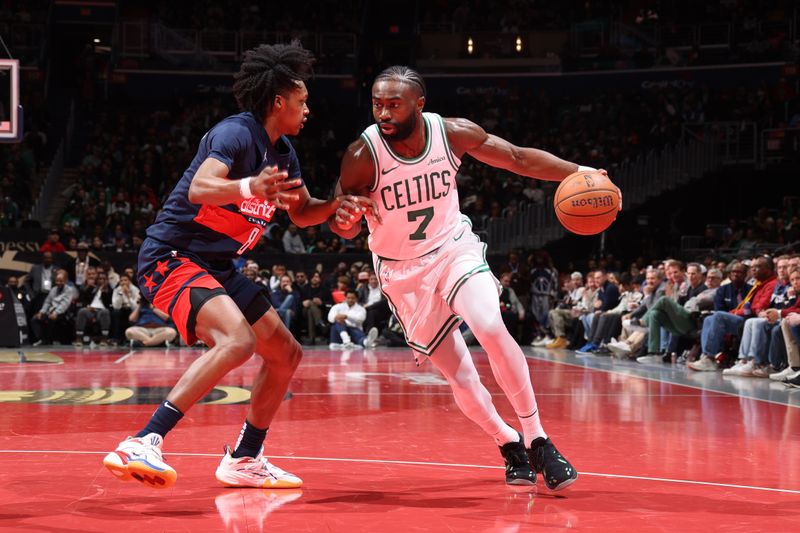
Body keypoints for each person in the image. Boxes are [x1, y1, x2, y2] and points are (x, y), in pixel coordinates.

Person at [103, 42, 375, 490]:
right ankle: (143, 440)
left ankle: (245, 458)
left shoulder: (283, 153)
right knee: (238, 340)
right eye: (303, 101)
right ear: (279, 102)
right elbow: (201, 188)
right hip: (172, 255)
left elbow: (302, 210)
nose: (308, 109)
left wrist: (336, 205)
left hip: (218, 265)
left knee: (286, 353)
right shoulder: (235, 134)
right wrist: (249, 185)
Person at [327, 65, 607, 489]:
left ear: (419, 105)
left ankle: (537, 439)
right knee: (460, 376)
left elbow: (516, 157)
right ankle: (507, 441)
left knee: (491, 325)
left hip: (453, 248)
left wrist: (577, 171)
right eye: (377, 104)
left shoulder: (452, 133)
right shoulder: (362, 155)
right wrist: (346, 220)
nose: (383, 112)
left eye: (393, 104)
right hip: (404, 272)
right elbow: (341, 222)